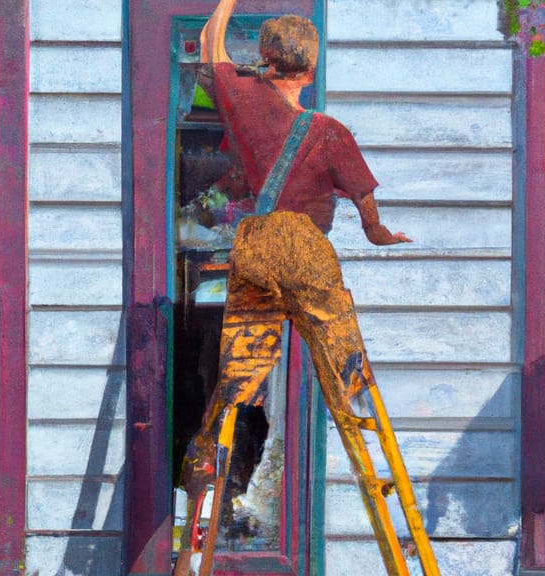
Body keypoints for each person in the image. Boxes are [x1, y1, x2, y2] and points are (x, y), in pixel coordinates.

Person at [174, 1, 409, 574]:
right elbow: (364, 201)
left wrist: (225, 4)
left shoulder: (243, 100)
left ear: (266, 60)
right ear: (311, 70)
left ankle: (201, 478)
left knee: (237, 377)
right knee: (345, 367)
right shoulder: (327, 131)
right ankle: (359, 411)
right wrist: (378, 235)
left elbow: (210, 45)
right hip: (302, 248)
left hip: (251, 248)